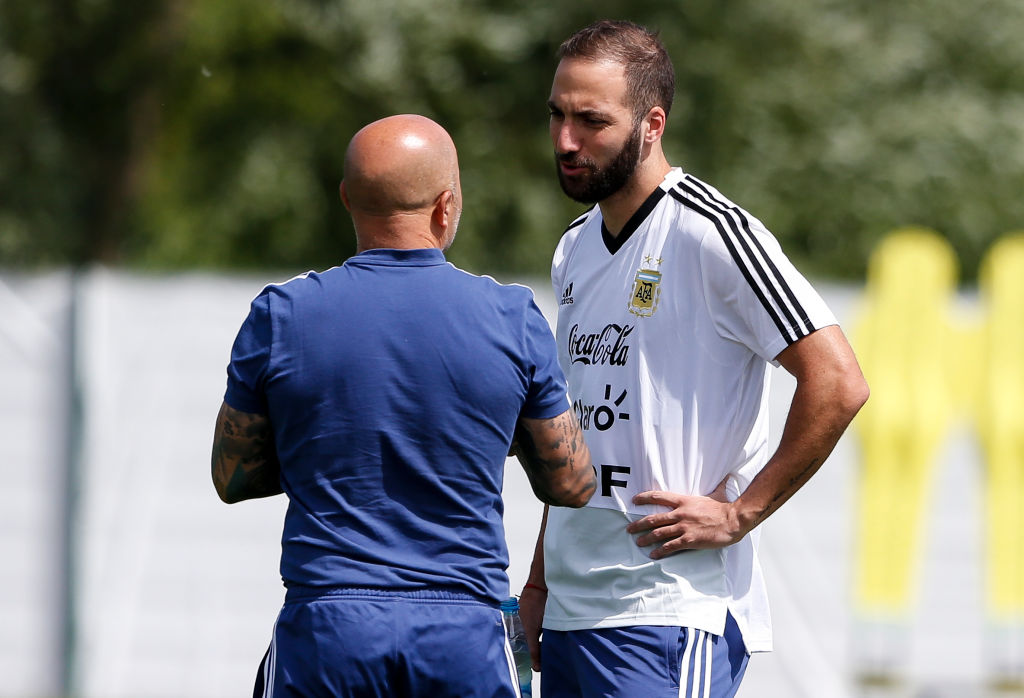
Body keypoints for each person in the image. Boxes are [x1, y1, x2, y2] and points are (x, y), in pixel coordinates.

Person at [519, 20, 869, 698]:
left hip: (669, 612)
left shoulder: (713, 233)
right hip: (568, 613)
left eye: (591, 120)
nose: (565, 140)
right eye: (557, 115)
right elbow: (576, 427)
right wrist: (539, 581)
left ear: (652, 124)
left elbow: (839, 381)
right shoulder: (574, 247)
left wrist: (740, 515)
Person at [211, 114, 596, 698]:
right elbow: (571, 483)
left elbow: (232, 476)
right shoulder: (511, 318)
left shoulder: (279, 315)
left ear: (346, 199)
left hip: (327, 631)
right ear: (447, 205)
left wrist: (319, 451)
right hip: (465, 631)